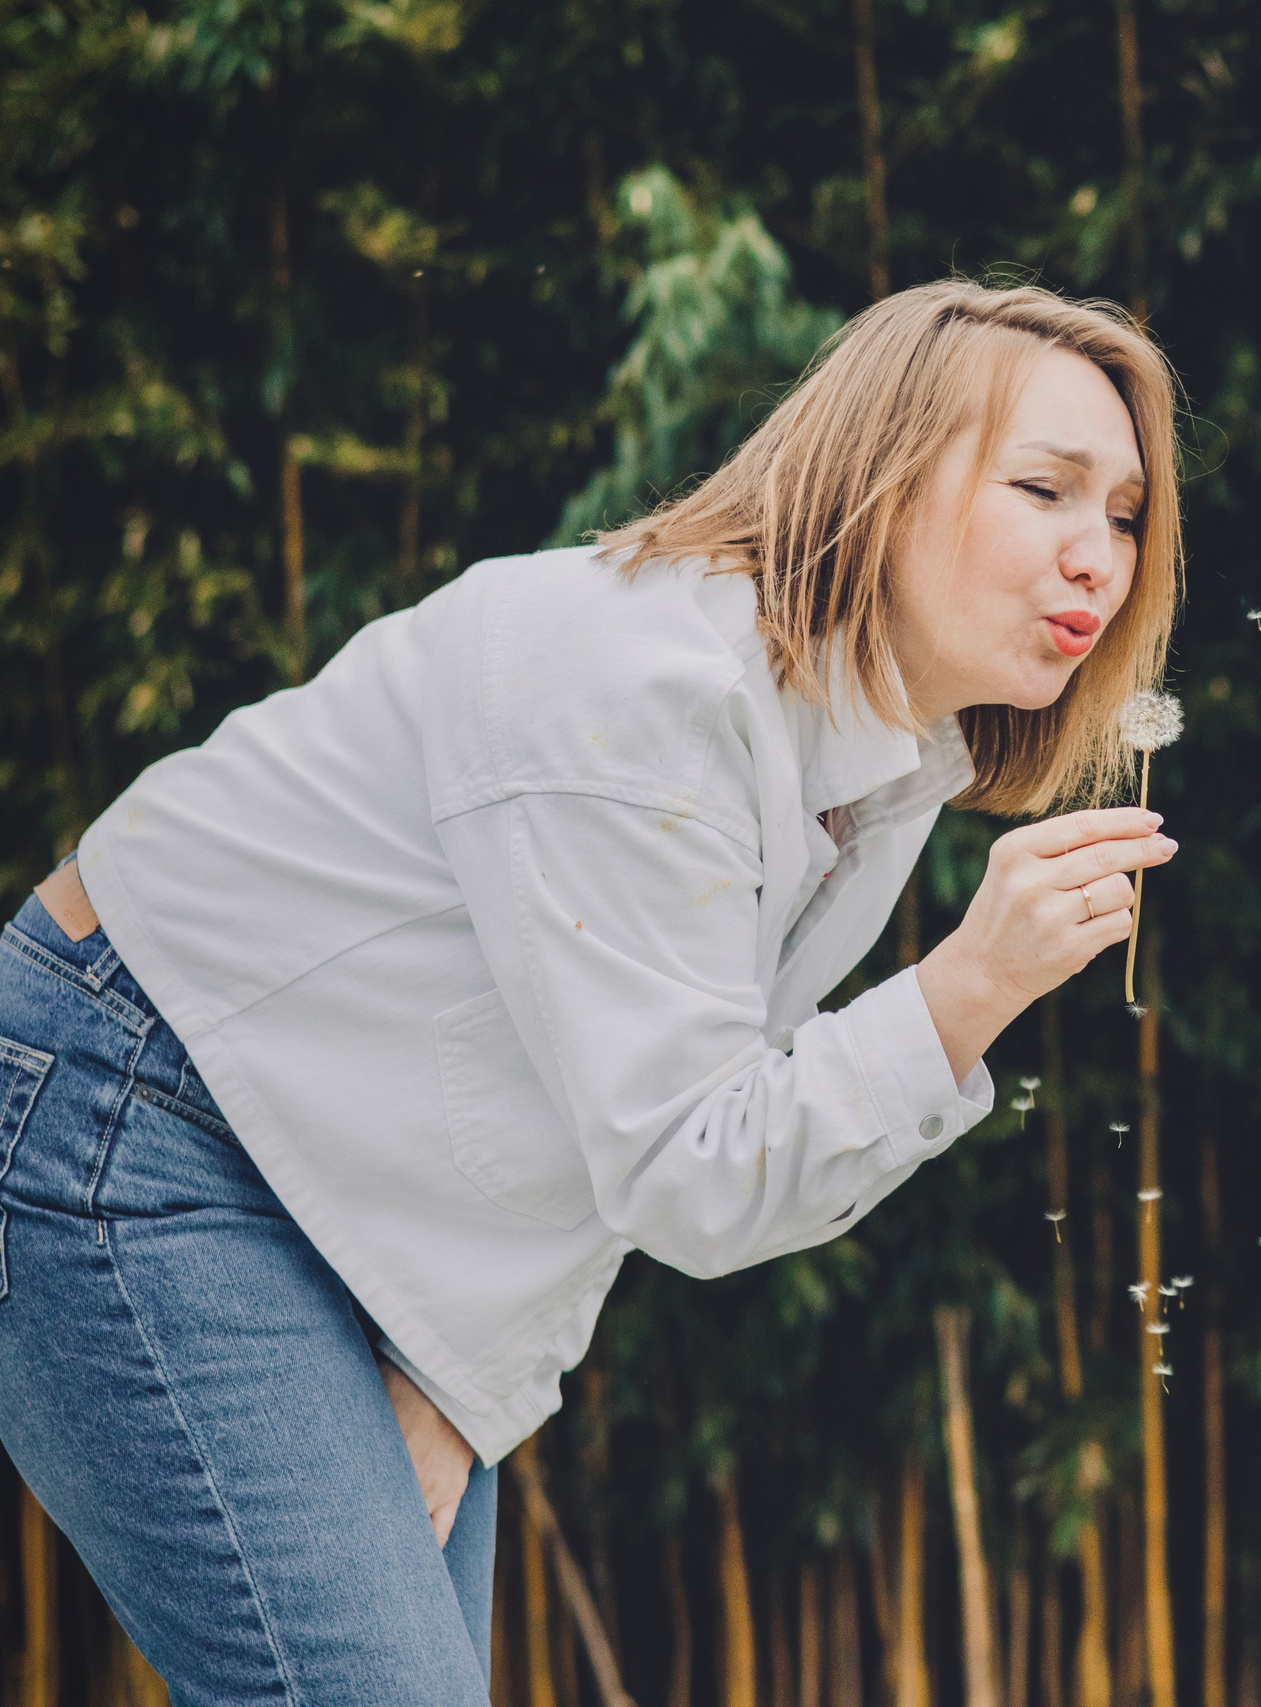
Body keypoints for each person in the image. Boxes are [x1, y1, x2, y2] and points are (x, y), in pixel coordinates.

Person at [0, 278, 1183, 1701]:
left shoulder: (888, 754)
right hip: (133, 1111)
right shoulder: (639, 685)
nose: (1098, 558)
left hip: (345, 1191)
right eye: (1046, 488)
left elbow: (631, 1127)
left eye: (1122, 513)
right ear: (881, 475)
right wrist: (969, 985)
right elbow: (692, 1163)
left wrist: (461, 1381)